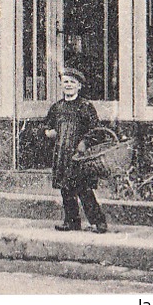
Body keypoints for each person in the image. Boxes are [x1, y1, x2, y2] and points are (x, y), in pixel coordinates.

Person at [44, 65, 108, 233]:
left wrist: (85, 143)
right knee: (66, 190)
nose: (68, 85)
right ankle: (71, 222)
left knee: (84, 190)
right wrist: (48, 132)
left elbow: (96, 131)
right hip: (62, 154)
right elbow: (47, 125)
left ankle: (99, 222)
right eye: (65, 82)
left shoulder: (85, 106)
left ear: (79, 86)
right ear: (61, 85)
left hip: (79, 156)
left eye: (72, 82)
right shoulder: (57, 107)